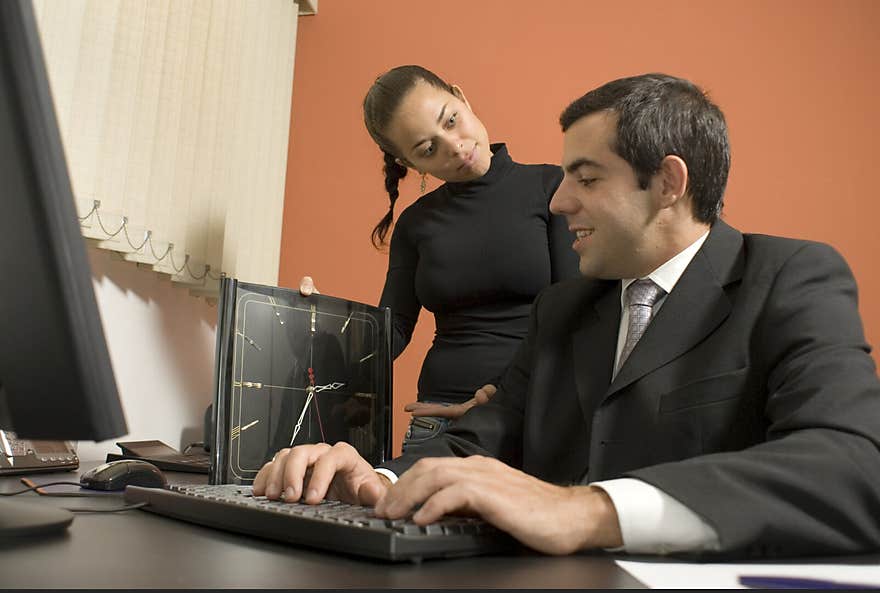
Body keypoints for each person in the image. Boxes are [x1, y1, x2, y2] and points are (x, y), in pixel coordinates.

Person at [256, 73, 880, 559]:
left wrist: (588, 510)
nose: (557, 200)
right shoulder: (564, 309)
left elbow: (853, 466)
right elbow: (482, 438)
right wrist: (380, 477)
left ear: (667, 183)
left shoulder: (791, 277)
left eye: (583, 177)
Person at [299, 65, 579, 451]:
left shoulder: (553, 188)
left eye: (451, 120)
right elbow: (391, 331)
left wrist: (502, 395)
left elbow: (572, 312)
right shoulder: (416, 224)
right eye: (428, 149)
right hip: (440, 424)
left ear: (461, 97)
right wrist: (317, 322)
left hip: (531, 412)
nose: (455, 146)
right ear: (411, 165)